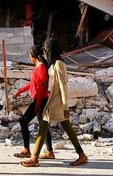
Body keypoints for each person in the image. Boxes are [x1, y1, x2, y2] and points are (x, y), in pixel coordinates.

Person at [20, 37, 88, 168]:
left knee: (43, 127)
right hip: (53, 100)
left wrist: (65, 106)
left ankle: (34, 158)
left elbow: (63, 86)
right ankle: (81, 155)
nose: (45, 52)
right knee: (66, 128)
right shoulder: (53, 63)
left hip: (56, 102)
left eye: (47, 49)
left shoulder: (59, 64)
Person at [12, 46, 55, 160]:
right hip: (40, 99)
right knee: (42, 126)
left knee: (24, 122)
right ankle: (49, 151)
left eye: (29, 55)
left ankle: (28, 150)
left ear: (32, 56)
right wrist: (19, 91)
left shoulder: (40, 67)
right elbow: (32, 84)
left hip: (40, 99)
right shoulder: (39, 66)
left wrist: (38, 103)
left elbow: (42, 87)